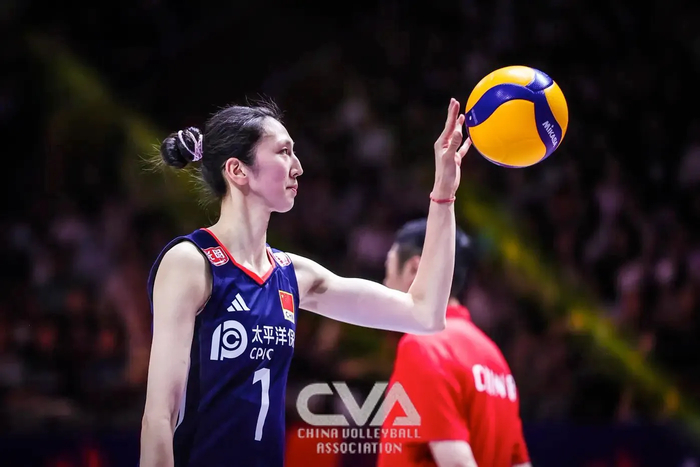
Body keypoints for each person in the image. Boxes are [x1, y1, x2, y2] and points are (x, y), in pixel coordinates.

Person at [139, 97, 472, 467]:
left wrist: (444, 194)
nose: (298, 167)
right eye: (284, 152)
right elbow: (159, 417)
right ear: (237, 170)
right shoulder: (190, 262)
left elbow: (424, 314)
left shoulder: (294, 275)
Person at [376, 219, 531, 467]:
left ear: (414, 268)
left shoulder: (424, 346)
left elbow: (458, 463)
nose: (385, 284)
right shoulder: (494, 357)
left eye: (388, 270)